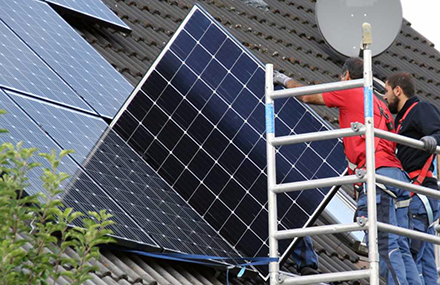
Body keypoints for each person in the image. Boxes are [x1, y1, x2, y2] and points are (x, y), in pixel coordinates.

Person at [273, 57, 421, 285]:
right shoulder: (379, 103)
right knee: (401, 247)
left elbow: (307, 95)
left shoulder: (352, 90)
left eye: (341, 78)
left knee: (383, 244)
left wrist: (284, 80)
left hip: (378, 176)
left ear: (347, 76)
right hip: (396, 177)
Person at [384, 72, 440, 285]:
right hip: (418, 196)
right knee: (426, 263)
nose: (385, 96)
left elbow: (439, 132)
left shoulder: (420, 109)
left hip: (419, 195)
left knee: (411, 257)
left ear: (398, 90)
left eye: (387, 91)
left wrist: (431, 140)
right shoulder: (401, 120)